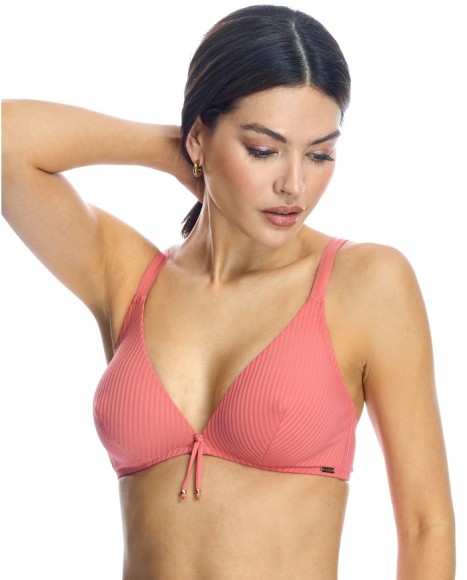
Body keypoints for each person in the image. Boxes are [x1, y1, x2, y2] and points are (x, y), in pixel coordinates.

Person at [1, 4, 455, 579]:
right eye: (263, 150)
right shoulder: (130, 278)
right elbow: (7, 141)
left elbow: (425, 527)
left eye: (320, 154)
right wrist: (177, 151)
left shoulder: (365, 282)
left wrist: (219, 154)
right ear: (200, 136)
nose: (294, 184)